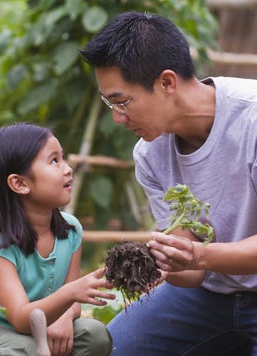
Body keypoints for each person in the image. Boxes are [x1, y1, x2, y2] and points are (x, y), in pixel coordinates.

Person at [80, 10, 257, 356]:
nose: (117, 118)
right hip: (208, 297)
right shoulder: (149, 154)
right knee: (111, 349)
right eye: (109, 103)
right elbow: (189, 274)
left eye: (122, 102)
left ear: (166, 83)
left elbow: (199, 258)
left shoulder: (251, 117)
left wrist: (201, 255)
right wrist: (174, 260)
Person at [0, 122, 114, 356]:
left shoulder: (71, 230)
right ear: (20, 183)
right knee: (28, 351)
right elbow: (22, 318)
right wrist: (71, 294)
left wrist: (65, 314)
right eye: (54, 161)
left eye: (63, 158)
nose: (68, 169)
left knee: (94, 335)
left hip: (35, 331)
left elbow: (72, 302)